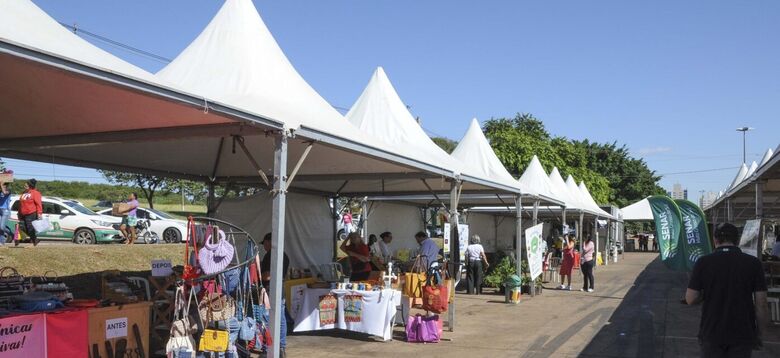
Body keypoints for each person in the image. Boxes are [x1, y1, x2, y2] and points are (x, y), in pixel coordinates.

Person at [686, 223, 769, 358]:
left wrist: (706, 293)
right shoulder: (753, 263)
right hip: (742, 332)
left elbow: (690, 298)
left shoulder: (703, 262)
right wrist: (760, 332)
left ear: (715, 240)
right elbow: (762, 303)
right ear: (737, 240)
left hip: (712, 331)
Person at [260, 232, 290, 358]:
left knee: (266, 319)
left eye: (265, 243)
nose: (264, 246)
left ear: (269, 242)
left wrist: (258, 277)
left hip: (270, 289)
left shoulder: (269, 256)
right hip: (281, 288)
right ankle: (281, 347)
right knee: (281, 319)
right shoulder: (285, 256)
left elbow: (267, 275)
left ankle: (267, 348)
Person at [18, 179, 42, 247]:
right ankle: (31, 240)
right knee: (21, 227)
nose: (24, 185)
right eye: (25, 185)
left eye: (26, 185)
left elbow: (38, 204)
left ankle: (34, 240)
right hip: (22, 213)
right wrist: (19, 213)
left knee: (30, 228)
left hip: (31, 213)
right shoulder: (24, 193)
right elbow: (21, 204)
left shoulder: (35, 193)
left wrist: (39, 213)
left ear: (30, 186)